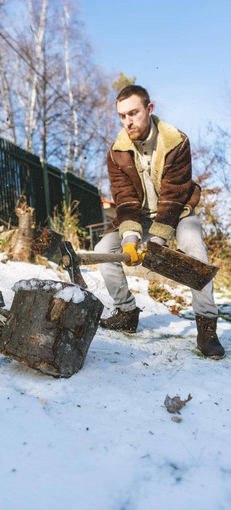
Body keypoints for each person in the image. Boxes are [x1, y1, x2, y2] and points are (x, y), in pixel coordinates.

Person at [95, 85, 225, 359]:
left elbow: (174, 195)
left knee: (195, 249)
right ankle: (127, 313)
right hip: (138, 218)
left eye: (133, 113)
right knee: (102, 252)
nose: (127, 121)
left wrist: (157, 241)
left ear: (149, 109)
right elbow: (125, 200)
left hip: (177, 213)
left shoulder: (176, 141)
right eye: (121, 116)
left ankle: (207, 326)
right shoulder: (116, 151)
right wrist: (131, 239)